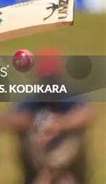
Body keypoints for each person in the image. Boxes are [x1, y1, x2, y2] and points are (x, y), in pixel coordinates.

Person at [7, 49, 95, 184]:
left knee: (75, 135)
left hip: (66, 158)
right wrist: (40, 124)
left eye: (52, 79)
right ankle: (50, 175)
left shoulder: (69, 97)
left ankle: (52, 175)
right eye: (45, 79)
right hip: (38, 158)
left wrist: (61, 124)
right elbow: (13, 119)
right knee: (29, 135)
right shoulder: (32, 99)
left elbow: (88, 113)